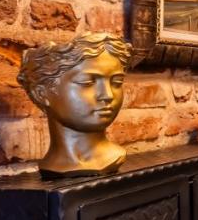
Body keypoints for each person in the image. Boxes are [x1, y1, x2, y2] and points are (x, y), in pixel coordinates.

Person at [17, 33, 132, 176]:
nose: (108, 95)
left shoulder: (115, 156)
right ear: (41, 93)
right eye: (87, 82)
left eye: (117, 82)